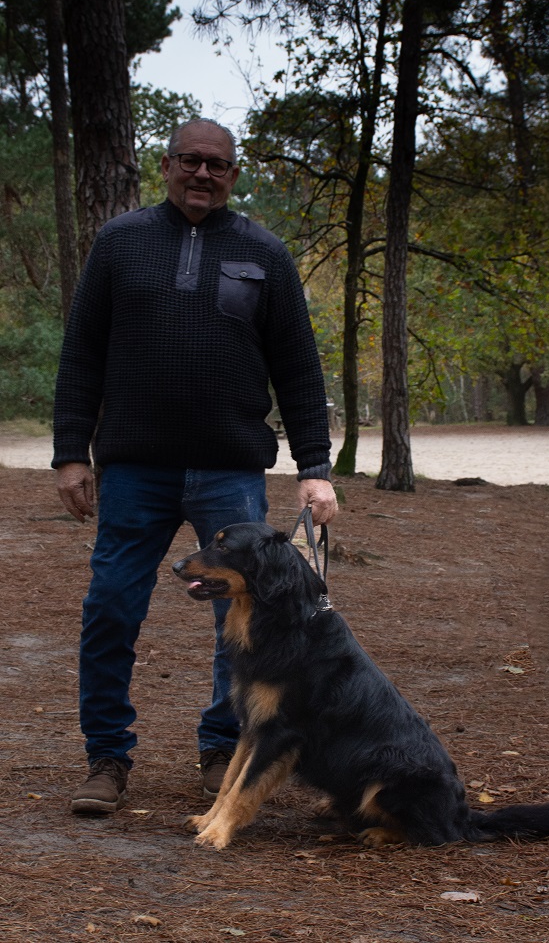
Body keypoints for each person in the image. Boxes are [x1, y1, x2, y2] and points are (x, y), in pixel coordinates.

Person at [52, 118, 338, 815]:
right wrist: (70, 453)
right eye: (189, 160)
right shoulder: (120, 242)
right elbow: (82, 352)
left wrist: (315, 466)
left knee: (240, 620)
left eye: (216, 164)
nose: (202, 174)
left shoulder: (263, 253)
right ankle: (106, 758)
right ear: (166, 165)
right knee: (111, 607)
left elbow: (297, 366)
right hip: (134, 470)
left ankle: (220, 748)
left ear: (232, 175)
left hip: (228, 470)